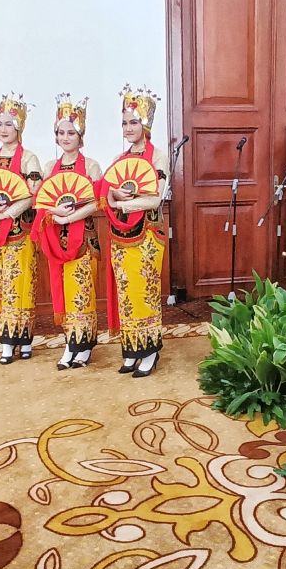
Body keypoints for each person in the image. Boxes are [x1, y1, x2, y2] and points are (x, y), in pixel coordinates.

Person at [101, 85, 170, 378]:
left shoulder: (158, 157)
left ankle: (150, 349)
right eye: (125, 122)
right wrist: (114, 196)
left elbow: (157, 196)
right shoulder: (119, 159)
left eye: (134, 121)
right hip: (120, 236)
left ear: (146, 124)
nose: (128, 128)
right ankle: (131, 348)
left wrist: (125, 204)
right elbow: (107, 194)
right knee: (126, 291)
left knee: (146, 289)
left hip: (148, 233)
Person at [34, 94, 102, 370]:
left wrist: (72, 214)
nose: (65, 137)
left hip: (83, 238)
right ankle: (69, 342)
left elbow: (98, 202)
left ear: (80, 135)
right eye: (61, 132)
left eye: (71, 132)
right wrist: (55, 213)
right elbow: (41, 203)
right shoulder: (49, 167)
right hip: (56, 239)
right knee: (61, 290)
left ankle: (82, 345)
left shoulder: (92, 166)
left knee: (81, 291)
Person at [0, 93, 43, 365]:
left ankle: (24, 337)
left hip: (21, 233)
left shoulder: (29, 158)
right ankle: (6, 342)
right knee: (2, 286)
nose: (3, 129)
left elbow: (34, 193)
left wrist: (10, 210)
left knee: (22, 284)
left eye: (9, 124)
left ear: (19, 128)